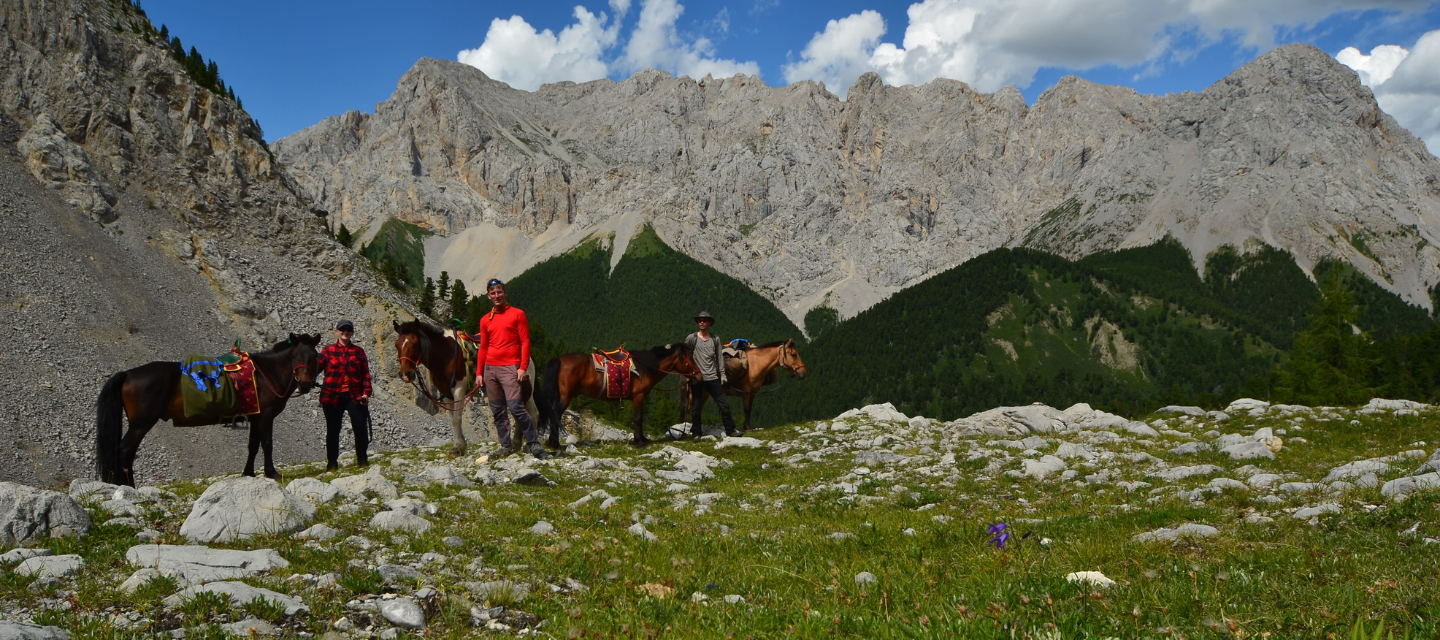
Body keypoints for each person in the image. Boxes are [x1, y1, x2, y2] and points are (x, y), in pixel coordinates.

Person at [474, 278, 545, 458]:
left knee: (515, 407)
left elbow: (525, 341)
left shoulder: (517, 314)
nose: (496, 295)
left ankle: (534, 443)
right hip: (490, 369)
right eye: (493, 293)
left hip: (510, 367)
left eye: (499, 292)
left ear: (505, 293)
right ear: (488, 296)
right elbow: (483, 347)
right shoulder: (485, 320)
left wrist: (522, 367)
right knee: (497, 410)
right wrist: (479, 373)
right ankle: (506, 446)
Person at [318, 318, 372, 471]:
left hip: (355, 396)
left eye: (348, 330)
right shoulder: (327, 351)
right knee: (333, 431)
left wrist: (366, 394)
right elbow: (315, 369)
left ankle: (362, 460)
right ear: (337, 331)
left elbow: (366, 375)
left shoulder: (359, 352)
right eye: (342, 329)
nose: (345, 332)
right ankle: (332, 463)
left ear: (352, 333)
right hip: (332, 396)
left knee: (360, 429)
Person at [685, 311, 740, 439]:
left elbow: (720, 357)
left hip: (713, 377)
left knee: (724, 405)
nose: (702, 322)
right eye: (700, 320)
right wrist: (688, 373)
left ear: (709, 323)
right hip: (698, 378)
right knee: (696, 407)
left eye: (704, 320)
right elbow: (685, 354)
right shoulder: (692, 338)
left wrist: (723, 374)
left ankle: (731, 430)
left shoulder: (715, 339)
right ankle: (697, 433)